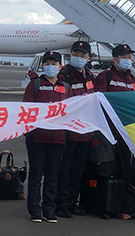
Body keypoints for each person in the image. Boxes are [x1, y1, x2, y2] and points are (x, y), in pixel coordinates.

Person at [23, 50, 70, 223]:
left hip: (58, 137)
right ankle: (34, 208)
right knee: (36, 174)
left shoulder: (66, 87)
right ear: (43, 66)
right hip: (37, 136)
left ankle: (49, 208)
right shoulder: (35, 84)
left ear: (60, 66)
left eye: (54, 64)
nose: (51, 66)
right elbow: (26, 108)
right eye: (48, 63)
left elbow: (71, 109)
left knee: (52, 175)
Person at [55, 40, 96, 217]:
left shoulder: (89, 76)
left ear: (88, 58)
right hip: (68, 131)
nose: (79, 57)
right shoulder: (64, 75)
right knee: (64, 169)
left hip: (85, 131)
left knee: (78, 170)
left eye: (82, 55)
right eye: (76, 54)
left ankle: (72, 201)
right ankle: (62, 203)